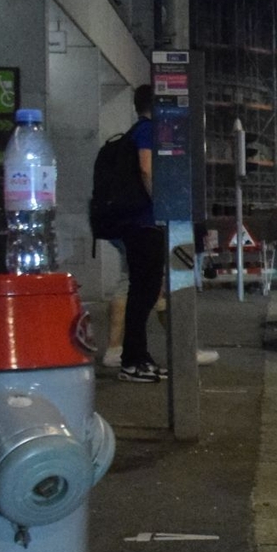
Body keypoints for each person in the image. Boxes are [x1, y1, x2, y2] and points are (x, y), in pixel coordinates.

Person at [112, 87, 166, 382]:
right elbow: (147, 169)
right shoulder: (146, 131)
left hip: (134, 223)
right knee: (143, 292)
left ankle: (139, 357)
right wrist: (160, 205)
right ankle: (132, 361)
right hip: (144, 222)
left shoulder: (134, 131)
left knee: (142, 292)